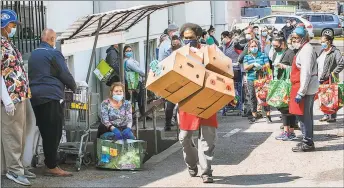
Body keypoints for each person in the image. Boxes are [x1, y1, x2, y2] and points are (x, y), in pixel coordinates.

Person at [28, 28, 76, 177]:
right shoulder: (53, 54)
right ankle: (52, 166)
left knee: (45, 129)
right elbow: (64, 73)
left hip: (35, 98)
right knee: (54, 132)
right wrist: (74, 86)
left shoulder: (33, 55)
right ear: (51, 39)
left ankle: (50, 163)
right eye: (54, 39)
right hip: (50, 96)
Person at [178, 23, 218, 183]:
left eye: (191, 38)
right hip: (187, 101)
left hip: (207, 99)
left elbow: (219, 67)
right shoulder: (178, 55)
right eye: (185, 38)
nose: (188, 41)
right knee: (185, 138)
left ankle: (206, 171)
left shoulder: (208, 52)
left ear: (198, 37)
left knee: (207, 139)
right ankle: (192, 163)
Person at [1, 9, 36, 186]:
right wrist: (6, 99)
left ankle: (16, 166)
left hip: (20, 94)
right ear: (4, 25)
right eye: (13, 25)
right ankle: (14, 170)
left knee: (20, 133)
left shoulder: (7, 42)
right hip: (10, 96)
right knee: (12, 134)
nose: (15, 28)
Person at [289, 26, 318, 152]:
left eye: (295, 38)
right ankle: (307, 140)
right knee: (304, 116)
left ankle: (307, 142)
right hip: (301, 87)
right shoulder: (303, 49)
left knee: (304, 117)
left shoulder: (306, 51)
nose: (293, 40)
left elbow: (305, 73)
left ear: (302, 38)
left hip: (304, 89)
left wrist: (301, 92)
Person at [270, 34, 298, 141]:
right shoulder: (275, 54)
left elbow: (295, 68)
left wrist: (284, 66)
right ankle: (289, 131)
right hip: (278, 82)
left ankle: (288, 131)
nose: (275, 47)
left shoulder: (290, 53)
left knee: (285, 108)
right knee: (282, 107)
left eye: (276, 45)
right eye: (273, 46)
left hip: (287, 84)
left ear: (283, 44)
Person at [243, 40, 272, 124]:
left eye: (255, 46)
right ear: (249, 48)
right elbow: (245, 67)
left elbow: (268, 65)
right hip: (251, 78)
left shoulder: (263, 55)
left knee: (264, 96)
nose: (253, 48)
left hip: (262, 79)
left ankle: (268, 115)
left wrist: (261, 67)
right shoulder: (247, 57)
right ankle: (254, 115)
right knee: (252, 97)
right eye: (252, 46)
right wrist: (253, 65)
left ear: (258, 47)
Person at [318, 34, 344, 123]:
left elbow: (341, 64)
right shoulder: (322, 51)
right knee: (323, 97)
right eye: (321, 42)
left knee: (332, 97)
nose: (322, 43)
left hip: (330, 78)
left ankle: (332, 116)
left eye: (323, 42)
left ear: (328, 41)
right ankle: (325, 115)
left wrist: (333, 72)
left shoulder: (335, 51)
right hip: (321, 77)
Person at [162, 35, 182, 131]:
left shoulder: (184, 51)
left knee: (184, 105)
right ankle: (168, 123)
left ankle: (184, 124)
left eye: (177, 42)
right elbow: (163, 64)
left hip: (183, 80)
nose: (175, 44)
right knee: (170, 106)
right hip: (171, 82)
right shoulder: (168, 53)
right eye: (173, 42)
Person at [123, 45, 146, 121]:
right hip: (134, 81)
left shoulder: (126, 60)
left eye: (130, 50)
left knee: (132, 99)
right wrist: (146, 74)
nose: (129, 52)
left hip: (129, 82)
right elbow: (138, 70)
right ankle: (142, 114)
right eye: (127, 51)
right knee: (140, 98)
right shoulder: (129, 62)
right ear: (124, 52)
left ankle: (133, 114)